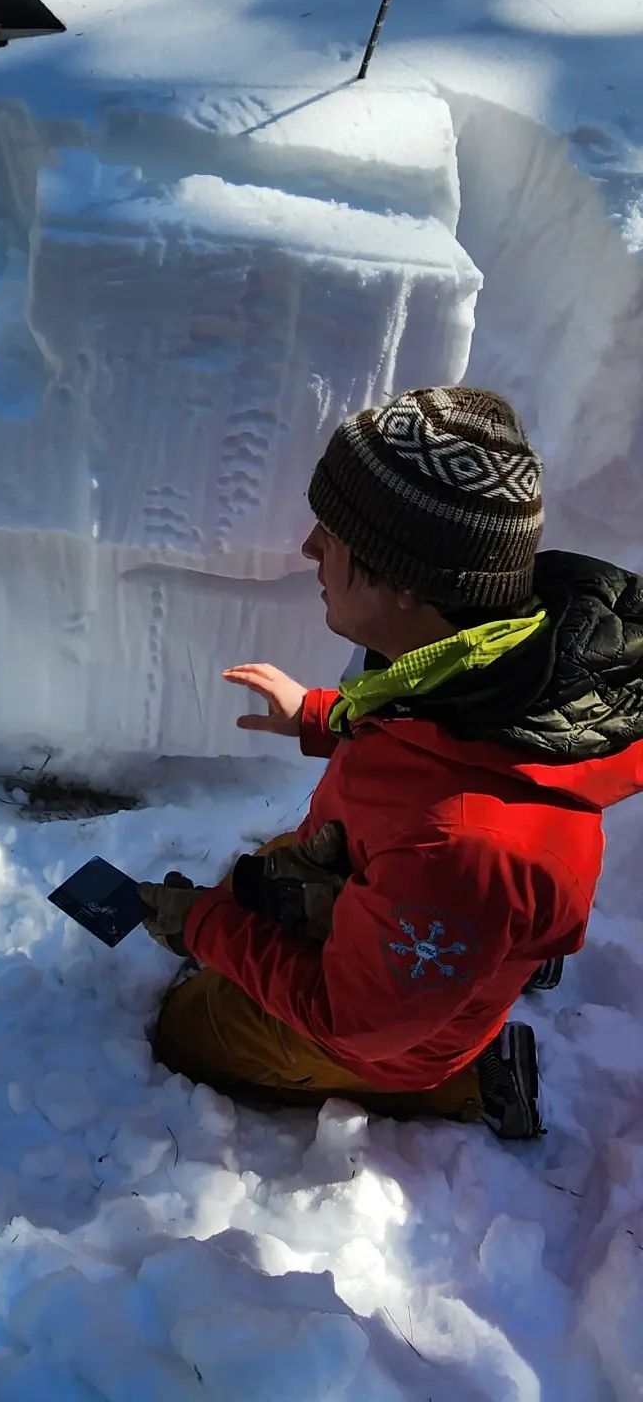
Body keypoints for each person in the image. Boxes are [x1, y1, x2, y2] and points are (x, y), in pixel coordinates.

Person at [138, 387, 643, 1139]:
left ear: (407, 582)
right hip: (426, 896)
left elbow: (354, 1022)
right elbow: (423, 732)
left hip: (405, 1014)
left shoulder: (468, 846)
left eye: (335, 535)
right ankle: (494, 956)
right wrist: (317, 716)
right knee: (267, 884)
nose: (310, 548)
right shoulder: (474, 655)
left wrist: (205, 928)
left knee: (191, 1028)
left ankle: (473, 1078)